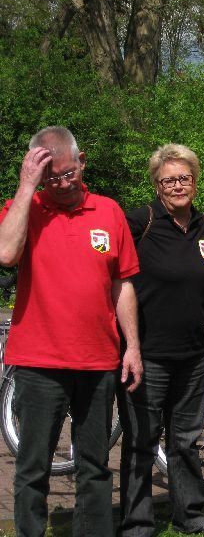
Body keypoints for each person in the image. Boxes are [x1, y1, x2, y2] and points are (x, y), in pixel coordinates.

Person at [0, 126, 143, 536]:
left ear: (82, 162)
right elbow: (6, 253)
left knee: (95, 465)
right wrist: (27, 186)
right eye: (51, 178)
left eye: (68, 173)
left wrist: (132, 346)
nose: (62, 184)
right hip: (39, 362)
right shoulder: (25, 208)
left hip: (97, 359)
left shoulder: (109, 211)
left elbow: (122, 284)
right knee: (33, 465)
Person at [118, 144, 204, 536]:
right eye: (169, 181)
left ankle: (191, 516)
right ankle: (137, 524)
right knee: (142, 441)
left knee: (185, 440)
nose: (178, 186)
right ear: (157, 185)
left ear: (195, 182)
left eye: (184, 178)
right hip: (148, 353)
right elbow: (113, 267)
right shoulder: (141, 221)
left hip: (192, 353)